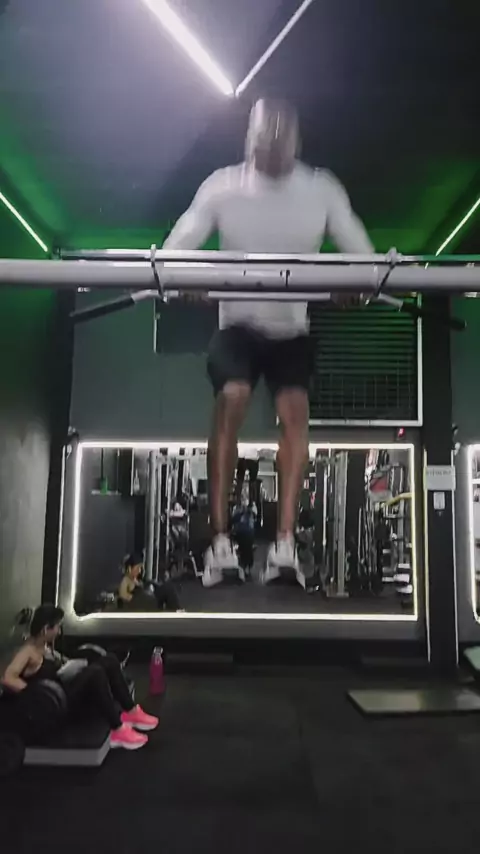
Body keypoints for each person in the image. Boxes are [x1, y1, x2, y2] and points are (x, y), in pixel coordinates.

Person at [163, 97, 373, 588]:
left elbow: (364, 258)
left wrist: (357, 286)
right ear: (249, 139)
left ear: (297, 141)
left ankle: (283, 544)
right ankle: (219, 544)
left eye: (282, 136)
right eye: (264, 136)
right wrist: (182, 280)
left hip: (290, 332)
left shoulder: (321, 189)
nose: (273, 144)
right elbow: (173, 253)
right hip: (238, 326)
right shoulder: (223, 186)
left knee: (295, 412)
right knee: (233, 396)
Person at [1, 604, 158, 750]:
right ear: (45, 629)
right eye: (57, 627)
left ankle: (130, 711)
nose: (59, 632)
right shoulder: (27, 651)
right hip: (58, 703)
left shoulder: (44, 647)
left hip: (65, 686)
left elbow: (59, 665)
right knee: (95, 672)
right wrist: (34, 693)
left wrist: (73, 665)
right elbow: (7, 678)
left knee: (109, 660)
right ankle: (117, 730)